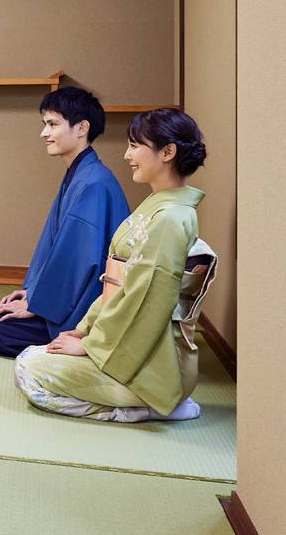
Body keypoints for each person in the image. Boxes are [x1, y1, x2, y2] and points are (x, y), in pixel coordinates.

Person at [14, 108, 208, 422]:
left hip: (149, 365)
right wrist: (83, 331)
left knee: (29, 370)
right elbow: (114, 285)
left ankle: (152, 406)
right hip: (120, 342)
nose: (127, 155)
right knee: (31, 355)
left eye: (135, 145)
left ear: (167, 152)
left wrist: (91, 346)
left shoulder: (170, 219)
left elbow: (145, 303)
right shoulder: (158, 207)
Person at [0, 87, 129, 357]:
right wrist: (31, 292)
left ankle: (79, 345)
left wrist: (37, 305)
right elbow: (54, 247)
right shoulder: (81, 173)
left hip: (87, 306)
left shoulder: (93, 182)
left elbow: (78, 262)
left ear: (81, 128)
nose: (44, 133)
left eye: (53, 124)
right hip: (68, 297)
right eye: (45, 124)